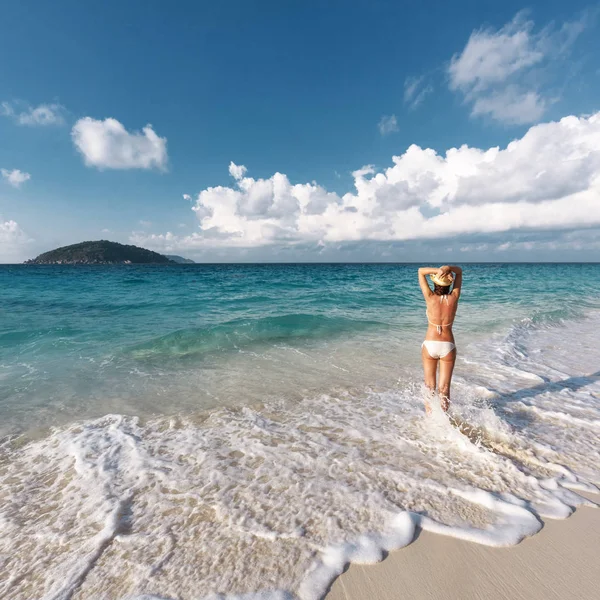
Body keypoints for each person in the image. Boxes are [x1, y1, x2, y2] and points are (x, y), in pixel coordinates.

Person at [417, 265, 462, 414]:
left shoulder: (430, 297)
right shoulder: (454, 298)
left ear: (435, 283)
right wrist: (448, 268)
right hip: (447, 345)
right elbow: (459, 271)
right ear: (449, 285)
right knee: (444, 388)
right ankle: (444, 420)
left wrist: (438, 271)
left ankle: (430, 420)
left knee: (429, 386)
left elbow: (420, 271)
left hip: (430, 344)